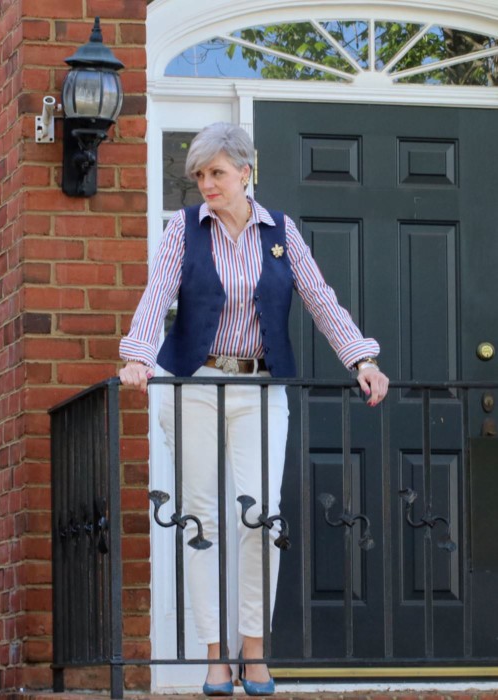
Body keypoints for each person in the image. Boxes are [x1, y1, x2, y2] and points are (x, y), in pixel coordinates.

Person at [119, 122, 389, 696]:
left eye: (216, 173)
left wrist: (361, 360)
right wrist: (139, 357)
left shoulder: (282, 234)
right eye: (199, 175)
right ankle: (216, 657)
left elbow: (321, 300)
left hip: (260, 389)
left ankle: (255, 652)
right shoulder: (183, 229)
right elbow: (157, 294)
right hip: (193, 382)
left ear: (246, 172)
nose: (206, 184)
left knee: (261, 517)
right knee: (200, 519)